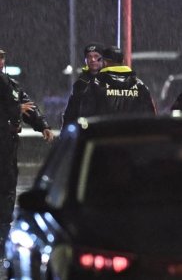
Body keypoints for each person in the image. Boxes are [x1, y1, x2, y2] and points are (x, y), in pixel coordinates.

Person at [0, 48, 54, 234]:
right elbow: (17, 107)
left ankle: (3, 233)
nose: (0, 61)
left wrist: (43, 126)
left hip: (7, 147)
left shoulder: (10, 84)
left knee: (7, 189)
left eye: (1, 58)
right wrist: (15, 110)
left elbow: (28, 106)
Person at [78, 45, 157, 116]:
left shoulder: (95, 85)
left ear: (105, 62)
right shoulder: (140, 85)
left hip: (105, 128)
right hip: (133, 128)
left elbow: (85, 117)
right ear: (122, 61)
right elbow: (150, 116)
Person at [61, 42, 104, 127]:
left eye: (96, 56)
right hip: (85, 128)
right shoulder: (80, 83)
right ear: (85, 60)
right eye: (89, 56)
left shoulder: (110, 80)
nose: (93, 59)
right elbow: (71, 111)